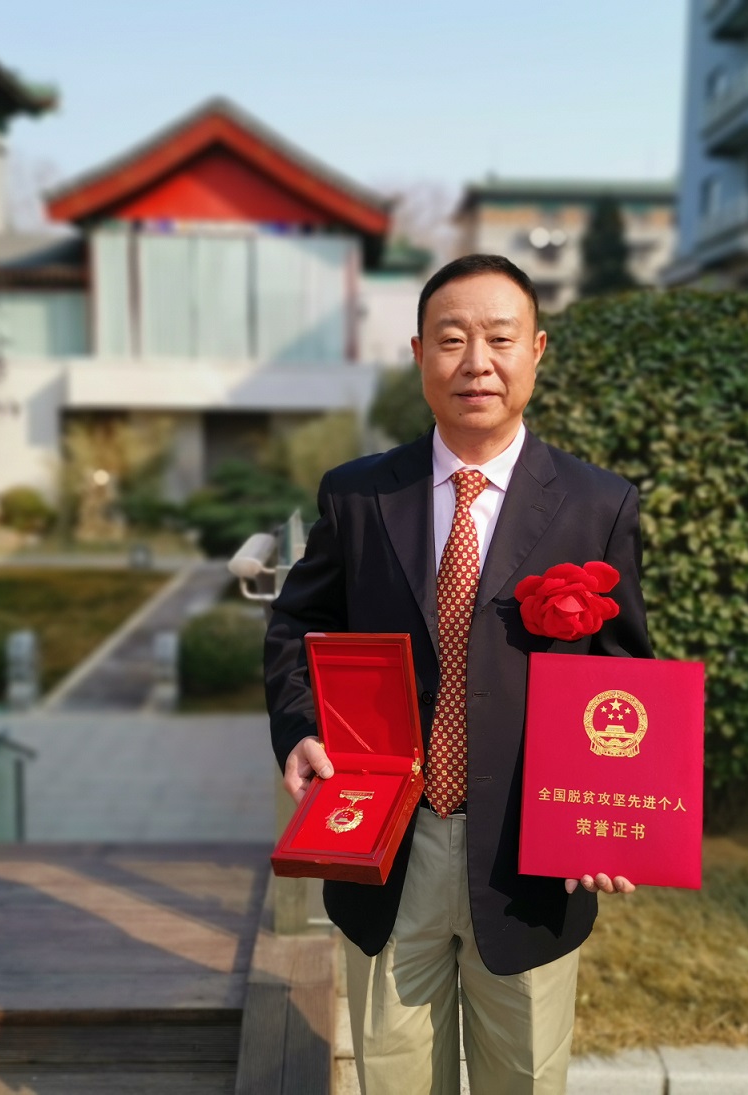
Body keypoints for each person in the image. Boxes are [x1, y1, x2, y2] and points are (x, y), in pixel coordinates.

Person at [264, 253, 653, 1094]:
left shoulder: (597, 503)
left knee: (524, 1076)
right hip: (386, 845)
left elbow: (622, 671)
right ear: (419, 354)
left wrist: (607, 818)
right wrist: (298, 729)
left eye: (500, 338)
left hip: (528, 855)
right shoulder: (359, 496)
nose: (477, 361)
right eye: (451, 339)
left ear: (536, 351)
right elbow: (297, 623)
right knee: (395, 1075)